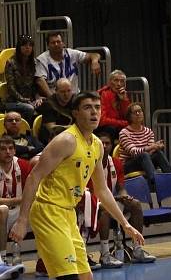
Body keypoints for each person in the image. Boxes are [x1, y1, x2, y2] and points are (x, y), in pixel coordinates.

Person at [9, 92, 146, 278]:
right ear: (75, 113)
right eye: (87, 107)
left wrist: (125, 224)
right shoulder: (66, 141)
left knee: (85, 276)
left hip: (68, 213)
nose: (94, 112)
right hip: (48, 211)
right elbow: (34, 177)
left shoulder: (97, 145)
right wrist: (22, 220)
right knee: (68, 277)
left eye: (97, 107)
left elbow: (102, 190)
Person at [92, 132, 156, 267]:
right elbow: (93, 192)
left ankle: (137, 250)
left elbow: (121, 187)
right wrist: (116, 198)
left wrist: (125, 195)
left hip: (112, 200)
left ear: (112, 145)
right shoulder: (90, 162)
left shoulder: (116, 163)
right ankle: (105, 255)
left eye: (107, 143)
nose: (104, 146)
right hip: (93, 202)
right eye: (101, 143)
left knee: (135, 204)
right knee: (105, 210)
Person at [118, 103, 171, 181]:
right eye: (135, 112)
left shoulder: (148, 131)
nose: (138, 114)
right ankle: (155, 181)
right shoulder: (124, 133)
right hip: (129, 164)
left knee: (158, 153)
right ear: (129, 116)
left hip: (145, 161)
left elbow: (151, 151)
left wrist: (156, 147)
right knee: (143, 155)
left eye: (139, 111)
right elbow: (134, 152)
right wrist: (152, 147)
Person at [35, 32, 101, 93]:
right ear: (48, 46)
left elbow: (95, 55)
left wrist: (94, 62)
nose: (56, 44)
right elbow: (40, 81)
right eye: (53, 42)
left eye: (58, 42)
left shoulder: (72, 53)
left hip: (73, 95)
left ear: (63, 43)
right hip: (54, 96)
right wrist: (52, 99)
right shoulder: (42, 59)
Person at [0, 135, 29, 270]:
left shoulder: (23, 165)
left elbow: (34, 191)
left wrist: (23, 201)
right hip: (2, 211)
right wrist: (18, 200)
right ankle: (2, 258)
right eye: (3, 149)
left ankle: (44, 261)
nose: (8, 152)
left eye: (11, 148)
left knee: (39, 207)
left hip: (20, 210)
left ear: (15, 151)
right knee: (3, 209)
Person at [4, 34, 46, 125]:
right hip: (14, 101)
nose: (27, 48)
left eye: (30, 45)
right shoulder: (11, 63)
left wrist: (37, 97)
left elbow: (35, 84)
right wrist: (23, 99)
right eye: (24, 45)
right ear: (19, 47)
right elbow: (11, 88)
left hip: (30, 99)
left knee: (48, 104)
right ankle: (27, 131)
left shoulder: (34, 63)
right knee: (29, 108)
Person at [37, 78, 74, 143]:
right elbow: (52, 129)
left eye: (69, 91)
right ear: (56, 91)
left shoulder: (75, 101)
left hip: (71, 137)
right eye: (62, 92)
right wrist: (75, 128)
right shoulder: (48, 104)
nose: (66, 94)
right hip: (51, 140)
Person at [97, 70, 131, 139]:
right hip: (104, 127)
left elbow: (129, 117)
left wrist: (124, 101)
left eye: (122, 81)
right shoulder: (102, 94)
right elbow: (102, 120)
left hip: (117, 126)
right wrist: (124, 123)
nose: (119, 84)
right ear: (109, 82)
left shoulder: (124, 95)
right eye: (116, 80)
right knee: (112, 129)